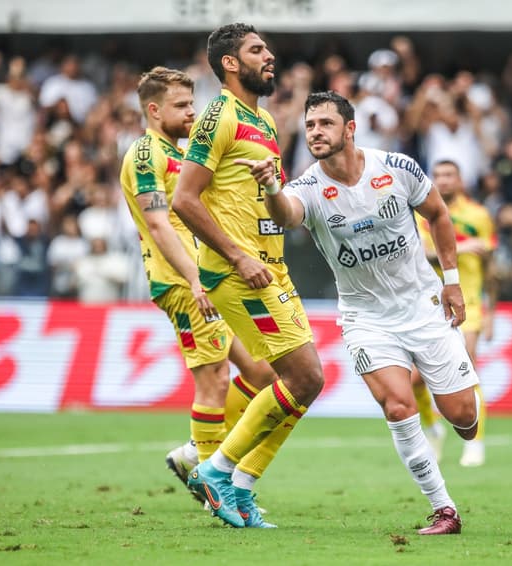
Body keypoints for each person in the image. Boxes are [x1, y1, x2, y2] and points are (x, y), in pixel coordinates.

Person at [237, 91, 481, 535]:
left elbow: (439, 215)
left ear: (349, 129)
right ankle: (444, 508)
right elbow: (289, 215)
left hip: (422, 306)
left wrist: (451, 282)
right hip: (365, 317)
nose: (315, 132)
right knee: (398, 405)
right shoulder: (307, 186)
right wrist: (271, 185)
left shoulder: (397, 168)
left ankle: (463, 423)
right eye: (310, 125)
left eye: (325, 124)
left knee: (462, 417)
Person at [171, 24, 325, 529]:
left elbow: (278, 214)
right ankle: (217, 470)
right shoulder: (217, 117)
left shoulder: (263, 123)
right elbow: (185, 199)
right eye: (257, 50)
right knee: (304, 377)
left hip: (272, 267)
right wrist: (238, 257)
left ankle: (239, 485)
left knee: (300, 384)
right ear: (230, 64)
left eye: (267, 48)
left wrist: (277, 192)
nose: (270, 56)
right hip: (239, 273)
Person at [118, 66, 280, 523]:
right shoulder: (145, 154)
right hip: (182, 283)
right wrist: (194, 278)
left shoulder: (179, 152)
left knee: (263, 370)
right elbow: (157, 223)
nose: (192, 112)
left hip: (203, 279)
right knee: (214, 380)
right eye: (181, 106)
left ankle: (197, 453)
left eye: (192, 104)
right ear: (153, 110)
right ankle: (215, 486)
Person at [414, 159, 496, 467]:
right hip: (429, 304)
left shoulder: (478, 216)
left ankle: (475, 443)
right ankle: (433, 429)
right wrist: (458, 248)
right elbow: (419, 253)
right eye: (438, 176)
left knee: (469, 368)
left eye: (450, 175)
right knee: (415, 382)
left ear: (460, 180)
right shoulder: (419, 213)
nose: (444, 181)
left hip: (470, 302)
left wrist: (492, 311)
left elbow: (490, 264)